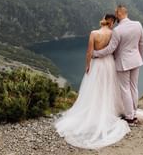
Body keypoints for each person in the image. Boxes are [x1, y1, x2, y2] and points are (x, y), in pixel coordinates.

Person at [55, 14, 130, 149]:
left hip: (97, 64)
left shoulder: (94, 33)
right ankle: (110, 110)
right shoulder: (113, 33)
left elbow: (89, 52)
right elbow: (114, 51)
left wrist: (88, 65)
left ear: (103, 20)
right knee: (109, 87)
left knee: (95, 88)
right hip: (109, 64)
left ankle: (95, 110)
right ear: (111, 22)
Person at [92, 5, 143, 124]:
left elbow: (110, 49)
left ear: (119, 14)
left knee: (125, 89)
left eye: (116, 14)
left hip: (123, 63)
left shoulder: (117, 30)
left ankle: (130, 117)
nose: (115, 16)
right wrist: (138, 57)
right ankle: (134, 111)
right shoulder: (138, 24)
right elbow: (142, 44)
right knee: (134, 87)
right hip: (136, 61)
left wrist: (95, 53)